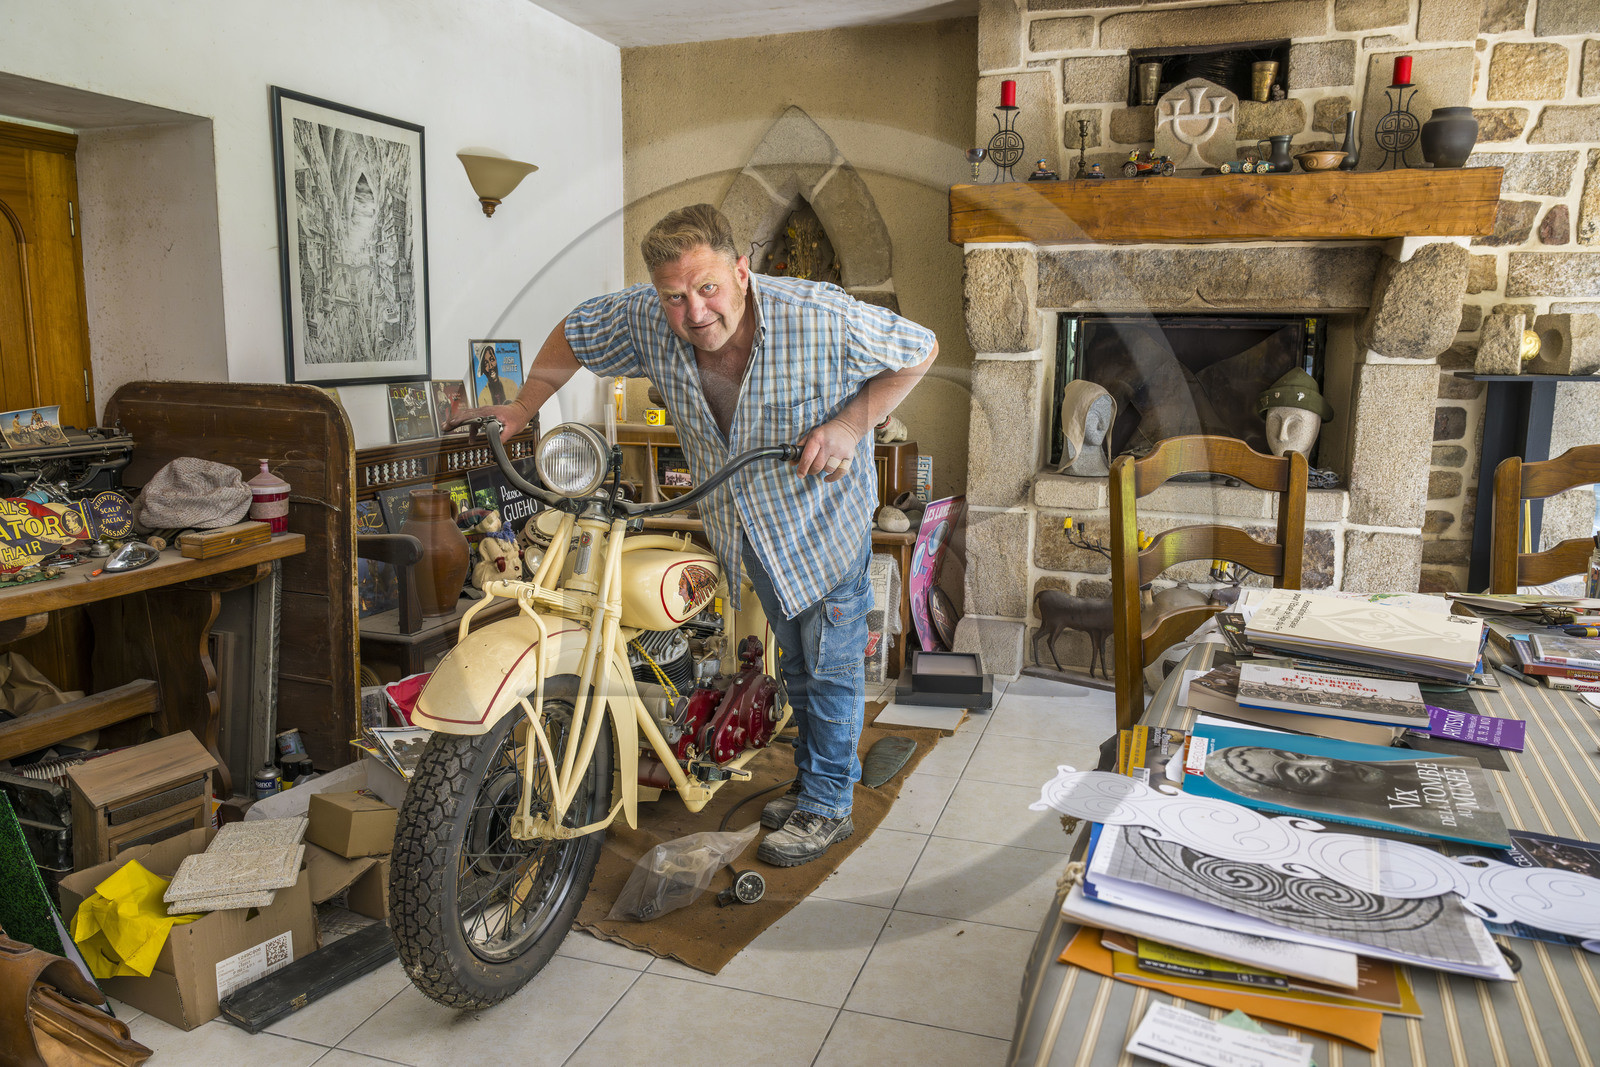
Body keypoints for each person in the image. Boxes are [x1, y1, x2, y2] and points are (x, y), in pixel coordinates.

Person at [450, 203, 937, 867]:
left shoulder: (819, 314)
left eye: (708, 288)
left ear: (741, 271)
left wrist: (850, 426)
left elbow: (921, 349)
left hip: (821, 524)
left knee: (831, 666)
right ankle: (818, 782)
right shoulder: (645, 316)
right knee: (797, 663)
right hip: (740, 526)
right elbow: (574, 331)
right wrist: (521, 405)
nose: (695, 311)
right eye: (675, 296)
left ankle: (828, 806)